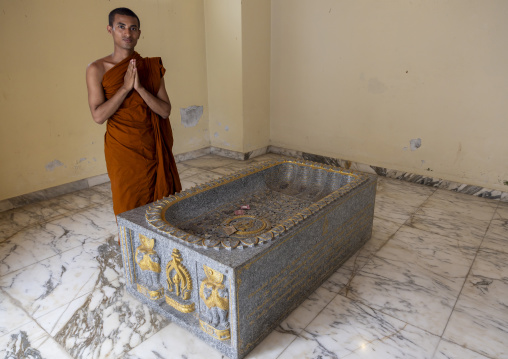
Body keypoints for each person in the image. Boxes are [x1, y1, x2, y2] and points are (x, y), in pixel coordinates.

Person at [86, 7, 181, 219]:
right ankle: (132, 243)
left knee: (161, 204)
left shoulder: (149, 67)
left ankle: (163, 242)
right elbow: (99, 116)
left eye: (133, 28)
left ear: (139, 33)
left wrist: (139, 88)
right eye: (121, 27)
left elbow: (165, 111)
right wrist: (125, 88)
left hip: (153, 145)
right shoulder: (97, 69)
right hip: (122, 149)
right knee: (127, 200)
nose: (127, 33)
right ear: (110, 29)